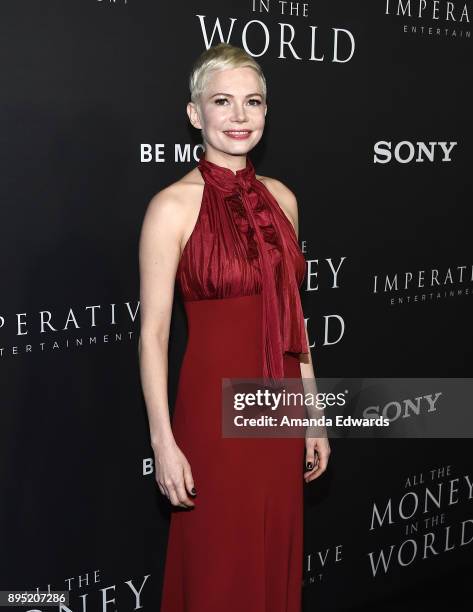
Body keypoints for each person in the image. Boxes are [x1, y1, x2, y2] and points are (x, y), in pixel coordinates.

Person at [138, 42, 331, 612]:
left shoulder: (284, 201)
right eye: (222, 101)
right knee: (220, 562)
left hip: (279, 410)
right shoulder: (171, 207)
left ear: (267, 113)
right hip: (212, 415)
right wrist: (162, 442)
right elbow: (153, 334)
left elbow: (294, 317)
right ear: (196, 114)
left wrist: (315, 416)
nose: (239, 116)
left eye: (252, 102)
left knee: (273, 552)